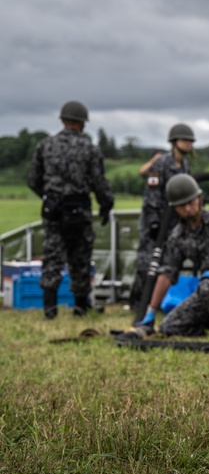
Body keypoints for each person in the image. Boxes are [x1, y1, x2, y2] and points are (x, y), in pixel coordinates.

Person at [133, 174, 209, 337]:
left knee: (207, 286)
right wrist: (151, 312)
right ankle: (207, 330)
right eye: (182, 206)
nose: (188, 209)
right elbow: (166, 274)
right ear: (175, 208)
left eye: (191, 203)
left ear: (199, 198)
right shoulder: (178, 236)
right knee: (169, 327)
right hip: (208, 293)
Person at [27, 100, 115, 318]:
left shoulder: (45, 145)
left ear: (63, 120)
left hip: (54, 209)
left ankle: (49, 309)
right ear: (82, 123)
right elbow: (98, 182)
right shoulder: (89, 149)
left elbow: (32, 180)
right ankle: (80, 307)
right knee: (80, 258)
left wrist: (48, 196)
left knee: (52, 256)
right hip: (79, 209)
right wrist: (106, 205)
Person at [130, 123, 196, 308]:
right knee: (147, 264)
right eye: (184, 140)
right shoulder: (161, 164)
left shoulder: (185, 166)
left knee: (168, 264)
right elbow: (152, 195)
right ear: (174, 142)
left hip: (175, 224)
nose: (188, 144)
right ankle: (138, 303)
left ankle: (158, 301)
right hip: (156, 222)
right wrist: (153, 223)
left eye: (190, 141)